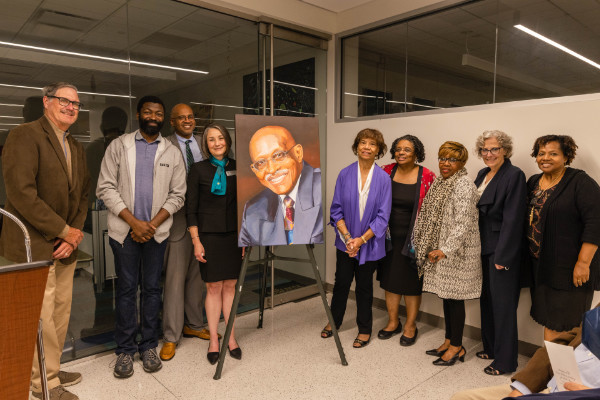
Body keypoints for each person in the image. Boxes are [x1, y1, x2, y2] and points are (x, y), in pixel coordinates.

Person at [0, 82, 90, 400]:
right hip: (33, 245)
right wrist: (64, 231)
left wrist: (74, 233)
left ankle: (50, 365)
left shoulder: (76, 147)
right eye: (64, 101)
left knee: (60, 313)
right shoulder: (24, 135)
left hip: (65, 246)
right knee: (41, 316)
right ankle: (44, 383)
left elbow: (83, 196)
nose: (70, 107)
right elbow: (21, 193)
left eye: (76, 104)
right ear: (46, 102)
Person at [96, 95, 186, 378]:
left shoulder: (171, 152)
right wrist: (134, 223)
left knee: (151, 290)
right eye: (148, 112)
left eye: (158, 113)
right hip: (124, 233)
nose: (153, 116)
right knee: (125, 290)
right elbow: (105, 188)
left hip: (156, 235)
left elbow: (178, 195)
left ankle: (148, 345)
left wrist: (150, 225)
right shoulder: (119, 146)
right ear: (138, 115)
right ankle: (124, 350)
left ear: (163, 118)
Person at [321, 128, 391, 348]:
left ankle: (364, 329)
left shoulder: (384, 179)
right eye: (363, 142)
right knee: (341, 283)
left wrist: (361, 240)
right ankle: (334, 321)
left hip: (370, 244)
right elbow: (336, 210)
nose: (366, 147)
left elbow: (383, 216)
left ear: (378, 150)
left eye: (372, 144)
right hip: (345, 242)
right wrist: (349, 238)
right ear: (357, 146)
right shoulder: (345, 173)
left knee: (364, 287)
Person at [526, 135, 600, 342]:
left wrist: (583, 263)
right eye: (541, 153)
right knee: (550, 320)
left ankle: (560, 372)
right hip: (543, 267)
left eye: (553, 153)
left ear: (566, 156)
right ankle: (551, 368)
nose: (545, 158)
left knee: (564, 325)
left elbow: (595, 223)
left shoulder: (580, 182)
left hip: (571, 270)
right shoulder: (533, 182)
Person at [413, 141, 481, 366]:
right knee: (447, 297)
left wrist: (445, 249)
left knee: (455, 300)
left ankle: (457, 347)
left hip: (457, 253)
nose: (445, 163)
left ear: (461, 163)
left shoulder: (463, 184)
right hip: (442, 251)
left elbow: (463, 223)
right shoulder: (441, 182)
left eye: (452, 159)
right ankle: (448, 340)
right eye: (442, 158)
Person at [450, 303, 600, 400]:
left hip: (580, 395)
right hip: (548, 385)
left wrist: (588, 395)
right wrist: (523, 388)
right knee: (461, 397)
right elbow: (564, 341)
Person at [160, 104, 214, 362]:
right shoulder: (164, 144)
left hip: (204, 220)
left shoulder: (206, 143)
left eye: (190, 117)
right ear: (172, 122)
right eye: (181, 118)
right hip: (179, 222)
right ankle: (171, 336)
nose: (187, 121)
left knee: (197, 277)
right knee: (174, 279)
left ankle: (193, 323)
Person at [186, 123, 243, 364]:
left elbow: (244, 206)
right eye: (211, 139)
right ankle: (213, 340)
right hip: (208, 237)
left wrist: (245, 239)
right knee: (213, 288)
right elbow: (191, 210)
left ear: (227, 141)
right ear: (205, 144)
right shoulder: (198, 169)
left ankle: (231, 336)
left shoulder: (238, 168)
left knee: (230, 286)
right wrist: (196, 242)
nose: (217, 143)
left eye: (221, 138)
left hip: (233, 237)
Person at [473, 130, 527, 375]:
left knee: (504, 306)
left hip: (502, 251)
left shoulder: (514, 175)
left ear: (505, 150)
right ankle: (491, 348)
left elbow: (514, 219)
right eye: (485, 149)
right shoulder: (483, 174)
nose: (489, 154)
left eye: (494, 149)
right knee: (487, 301)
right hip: (482, 248)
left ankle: (506, 362)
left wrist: (503, 258)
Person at [376, 135, 435, 345]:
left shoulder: (427, 175)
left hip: (415, 240)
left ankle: (410, 325)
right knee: (390, 281)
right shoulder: (385, 171)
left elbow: (433, 211)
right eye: (398, 149)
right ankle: (393, 322)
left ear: (416, 153)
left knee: (411, 284)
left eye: (407, 149)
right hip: (387, 238)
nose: (401, 152)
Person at [238, 125, 323, 246]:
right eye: (261, 163)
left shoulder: (323, 189)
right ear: (254, 170)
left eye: (278, 155)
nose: (271, 170)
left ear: (298, 153)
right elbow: (245, 247)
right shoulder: (253, 210)